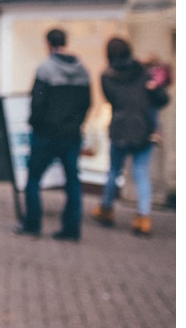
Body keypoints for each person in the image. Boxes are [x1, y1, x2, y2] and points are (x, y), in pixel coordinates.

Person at [15, 28, 91, 241]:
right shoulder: (82, 71)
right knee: (73, 182)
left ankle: (32, 223)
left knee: (33, 178)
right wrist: (75, 125)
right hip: (71, 135)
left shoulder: (45, 69)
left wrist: (36, 124)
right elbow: (86, 104)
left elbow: (37, 102)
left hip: (47, 134)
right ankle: (72, 228)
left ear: (48, 43)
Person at [93, 36, 169, 236]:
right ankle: (143, 218)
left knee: (113, 171)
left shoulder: (106, 77)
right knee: (141, 172)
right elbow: (162, 99)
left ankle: (107, 209)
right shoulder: (144, 73)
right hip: (144, 129)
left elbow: (112, 99)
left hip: (119, 130)